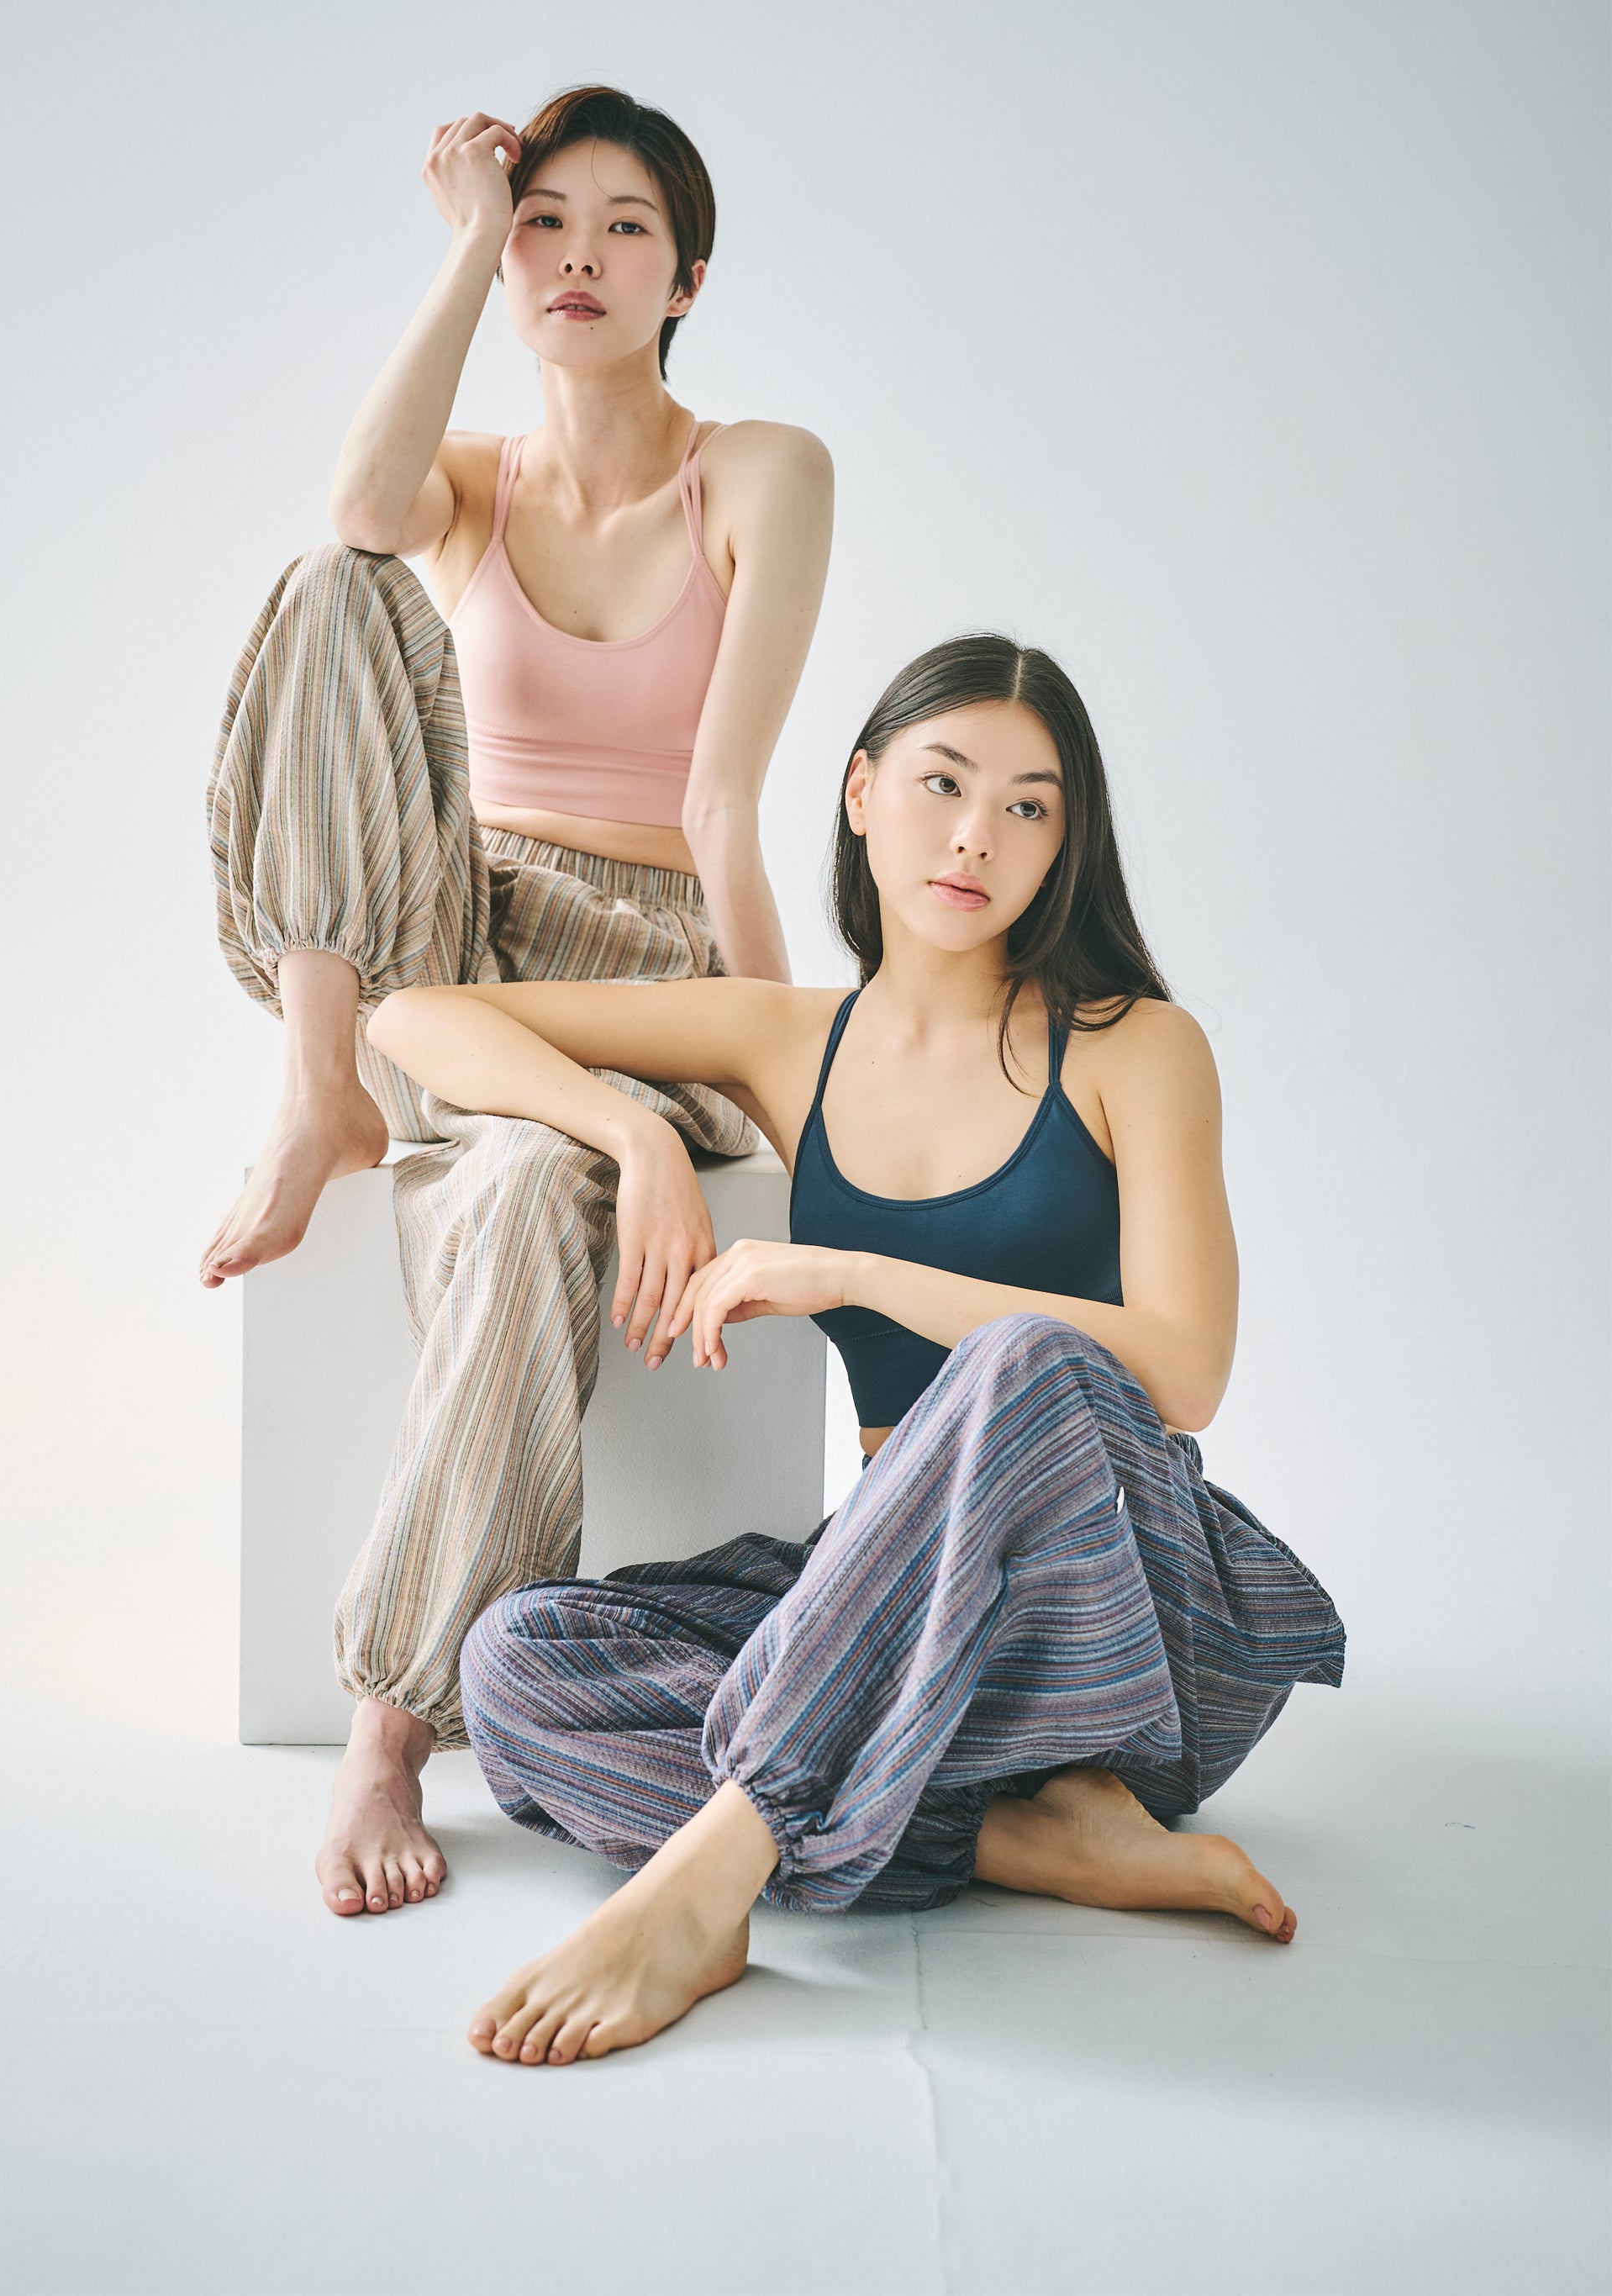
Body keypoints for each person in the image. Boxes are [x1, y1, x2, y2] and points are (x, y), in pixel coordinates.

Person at [364, 632, 1347, 2065]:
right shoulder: (788, 1040)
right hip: (905, 1625)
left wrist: (849, 1270)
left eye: (1028, 806)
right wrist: (633, 1132)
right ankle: (1020, 1834)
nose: (976, 835)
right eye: (943, 783)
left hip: (1116, 1618)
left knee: (1025, 1358)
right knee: (517, 1664)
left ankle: (712, 1877)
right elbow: (417, 1016)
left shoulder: (1140, 1046)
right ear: (861, 792)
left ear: (1066, 844)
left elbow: (1186, 1370)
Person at [200, 85, 833, 1918]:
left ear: (685, 278)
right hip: (445, 951)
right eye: (546, 221)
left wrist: (777, 1085)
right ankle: (316, 1084)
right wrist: (465, 236)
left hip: (645, 962)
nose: (577, 255)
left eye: (625, 226)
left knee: (533, 1184)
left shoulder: (763, 470)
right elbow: (361, 507)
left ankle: (391, 1725)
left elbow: (722, 806)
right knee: (333, 580)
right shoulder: (470, 478)